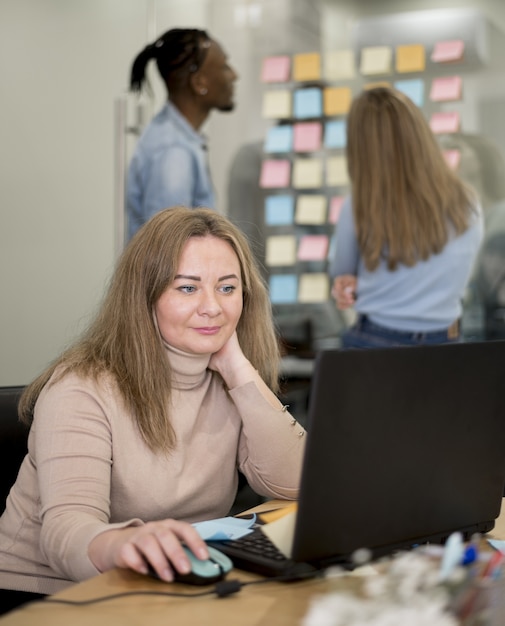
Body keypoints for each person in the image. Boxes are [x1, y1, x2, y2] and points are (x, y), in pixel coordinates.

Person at [0, 207, 305, 613]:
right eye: (187, 288)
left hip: (171, 582)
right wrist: (125, 544)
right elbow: (66, 531)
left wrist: (237, 368)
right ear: (144, 295)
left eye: (228, 288)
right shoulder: (81, 387)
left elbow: (296, 482)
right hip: (49, 594)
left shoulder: (229, 380)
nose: (213, 307)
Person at [329, 87, 483, 349]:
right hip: (447, 341)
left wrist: (351, 282)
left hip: (375, 340)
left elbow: (342, 274)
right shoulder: (466, 201)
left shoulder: (359, 205)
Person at [126, 28, 238, 239]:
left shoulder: (177, 138)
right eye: (224, 66)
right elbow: (166, 253)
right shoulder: (173, 152)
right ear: (199, 83)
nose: (234, 75)